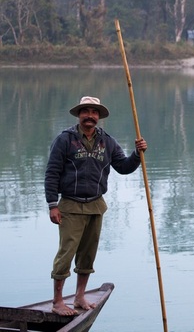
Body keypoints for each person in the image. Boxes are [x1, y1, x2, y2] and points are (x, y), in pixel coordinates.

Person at [45, 96, 147, 316]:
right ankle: (57, 302)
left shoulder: (107, 141)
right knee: (66, 254)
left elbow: (123, 167)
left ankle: (80, 297)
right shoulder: (65, 140)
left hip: (96, 206)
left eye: (94, 112)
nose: (90, 115)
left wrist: (137, 155)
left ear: (99, 117)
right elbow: (52, 172)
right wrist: (53, 205)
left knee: (88, 254)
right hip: (70, 206)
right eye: (86, 111)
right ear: (79, 115)